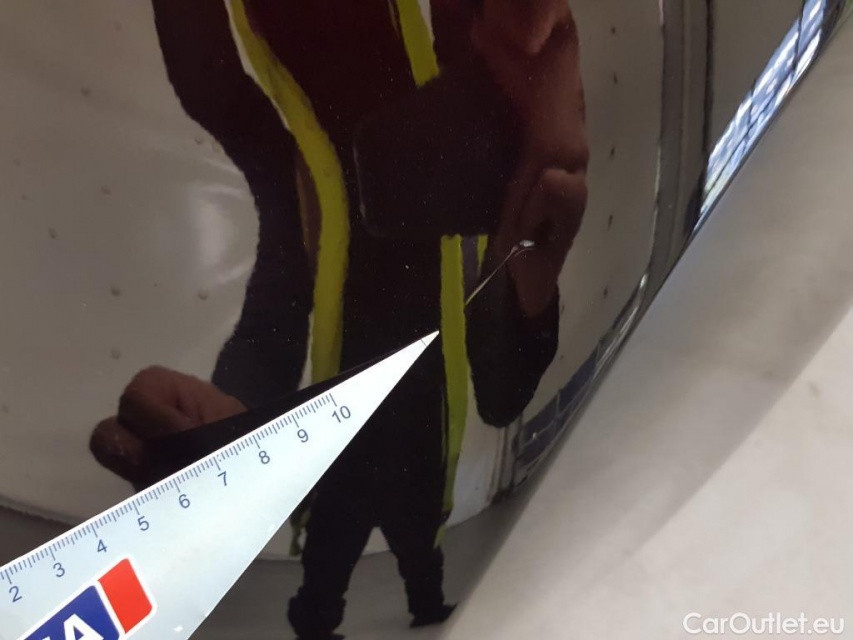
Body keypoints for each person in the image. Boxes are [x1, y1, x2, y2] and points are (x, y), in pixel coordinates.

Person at [90, 1, 588, 638]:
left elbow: (506, 385)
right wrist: (232, 430)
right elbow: (276, 304)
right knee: (340, 564)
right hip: (364, 435)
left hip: (418, 434)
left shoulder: (472, 117)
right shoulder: (286, 158)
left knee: (412, 559)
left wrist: (532, 291)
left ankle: (408, 599)